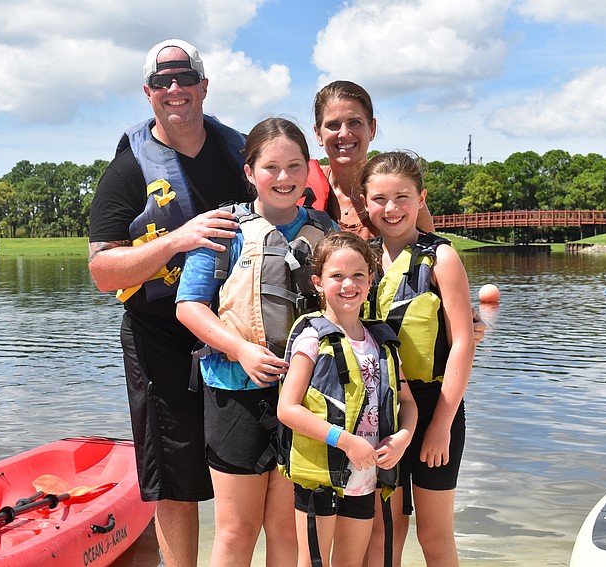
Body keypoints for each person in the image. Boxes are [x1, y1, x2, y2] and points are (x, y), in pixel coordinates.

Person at [88, 39, 251, 567]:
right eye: (162, 82)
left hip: (238, 335)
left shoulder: (242, 156)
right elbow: (100, 271)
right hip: (159, 336)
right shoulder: (126, 171)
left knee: (253, 465)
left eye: (185, 78)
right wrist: (176, 239)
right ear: (148, 93)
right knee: (175, 477)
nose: (174, 89)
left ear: (205, 86)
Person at [175, 117, 334, 566]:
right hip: (234, 395)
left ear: (308, 171)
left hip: (305, 398)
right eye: (271, 167)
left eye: (294, 166)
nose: (283, 178)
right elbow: (188, 306)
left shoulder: (325, 234)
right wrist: (241, 349)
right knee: (236, 529)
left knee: (286, 527)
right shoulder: (224, 231)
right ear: (250, 173)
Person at [362, 151, 475, 567]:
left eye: (402, 197)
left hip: (434, 409)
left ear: (421, 198)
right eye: (379, 199)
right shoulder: (362, 261)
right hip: (377, 412)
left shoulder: (441, 258)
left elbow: (463, 341)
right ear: (365, 202)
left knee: (434, 533)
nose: (391, 209)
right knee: (384, 529)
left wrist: (441, 425)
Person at [277, 231, 417, 567]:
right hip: (320, 480)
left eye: (357, 275)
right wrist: (346, 441)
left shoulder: (382, 343)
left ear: (370, 281)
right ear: (318, 283)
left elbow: (408, 403)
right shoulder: (311, 338)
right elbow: (287, 408)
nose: (348, 285)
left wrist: (403, 438)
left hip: (365, 480)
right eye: (336, 276)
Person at [305, 81, 434, 238]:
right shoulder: (300, 189)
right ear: (318, 134)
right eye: (333, 125)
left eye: (354, 123)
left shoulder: (401, 192)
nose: (344, 133)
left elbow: (435, 253)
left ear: (372, 129)